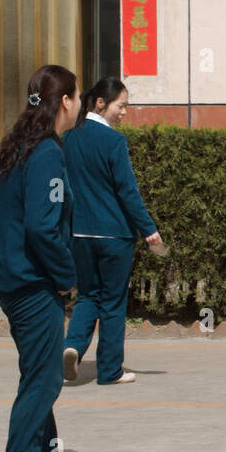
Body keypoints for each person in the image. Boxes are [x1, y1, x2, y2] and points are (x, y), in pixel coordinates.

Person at [0, 65, 85, 452]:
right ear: (64, 101)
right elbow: (44, 229)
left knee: (37, 370)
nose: (79, 105)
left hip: (9, 274)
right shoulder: (46, 153)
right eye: (77, 96)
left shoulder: (19, 145)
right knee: (44, 379)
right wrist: (66, 279)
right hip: (31, 281)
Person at [61, 77, 163, 385]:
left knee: (88, 296)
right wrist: (148, 229)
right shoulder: (114, 142)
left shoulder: (69, 139)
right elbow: (127, 191)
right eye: (121, 106)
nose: (124, 112)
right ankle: (109, 370)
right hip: (114, 235)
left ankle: (73, 347)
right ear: (101, 103)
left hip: (80, 234)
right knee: (113, 303)